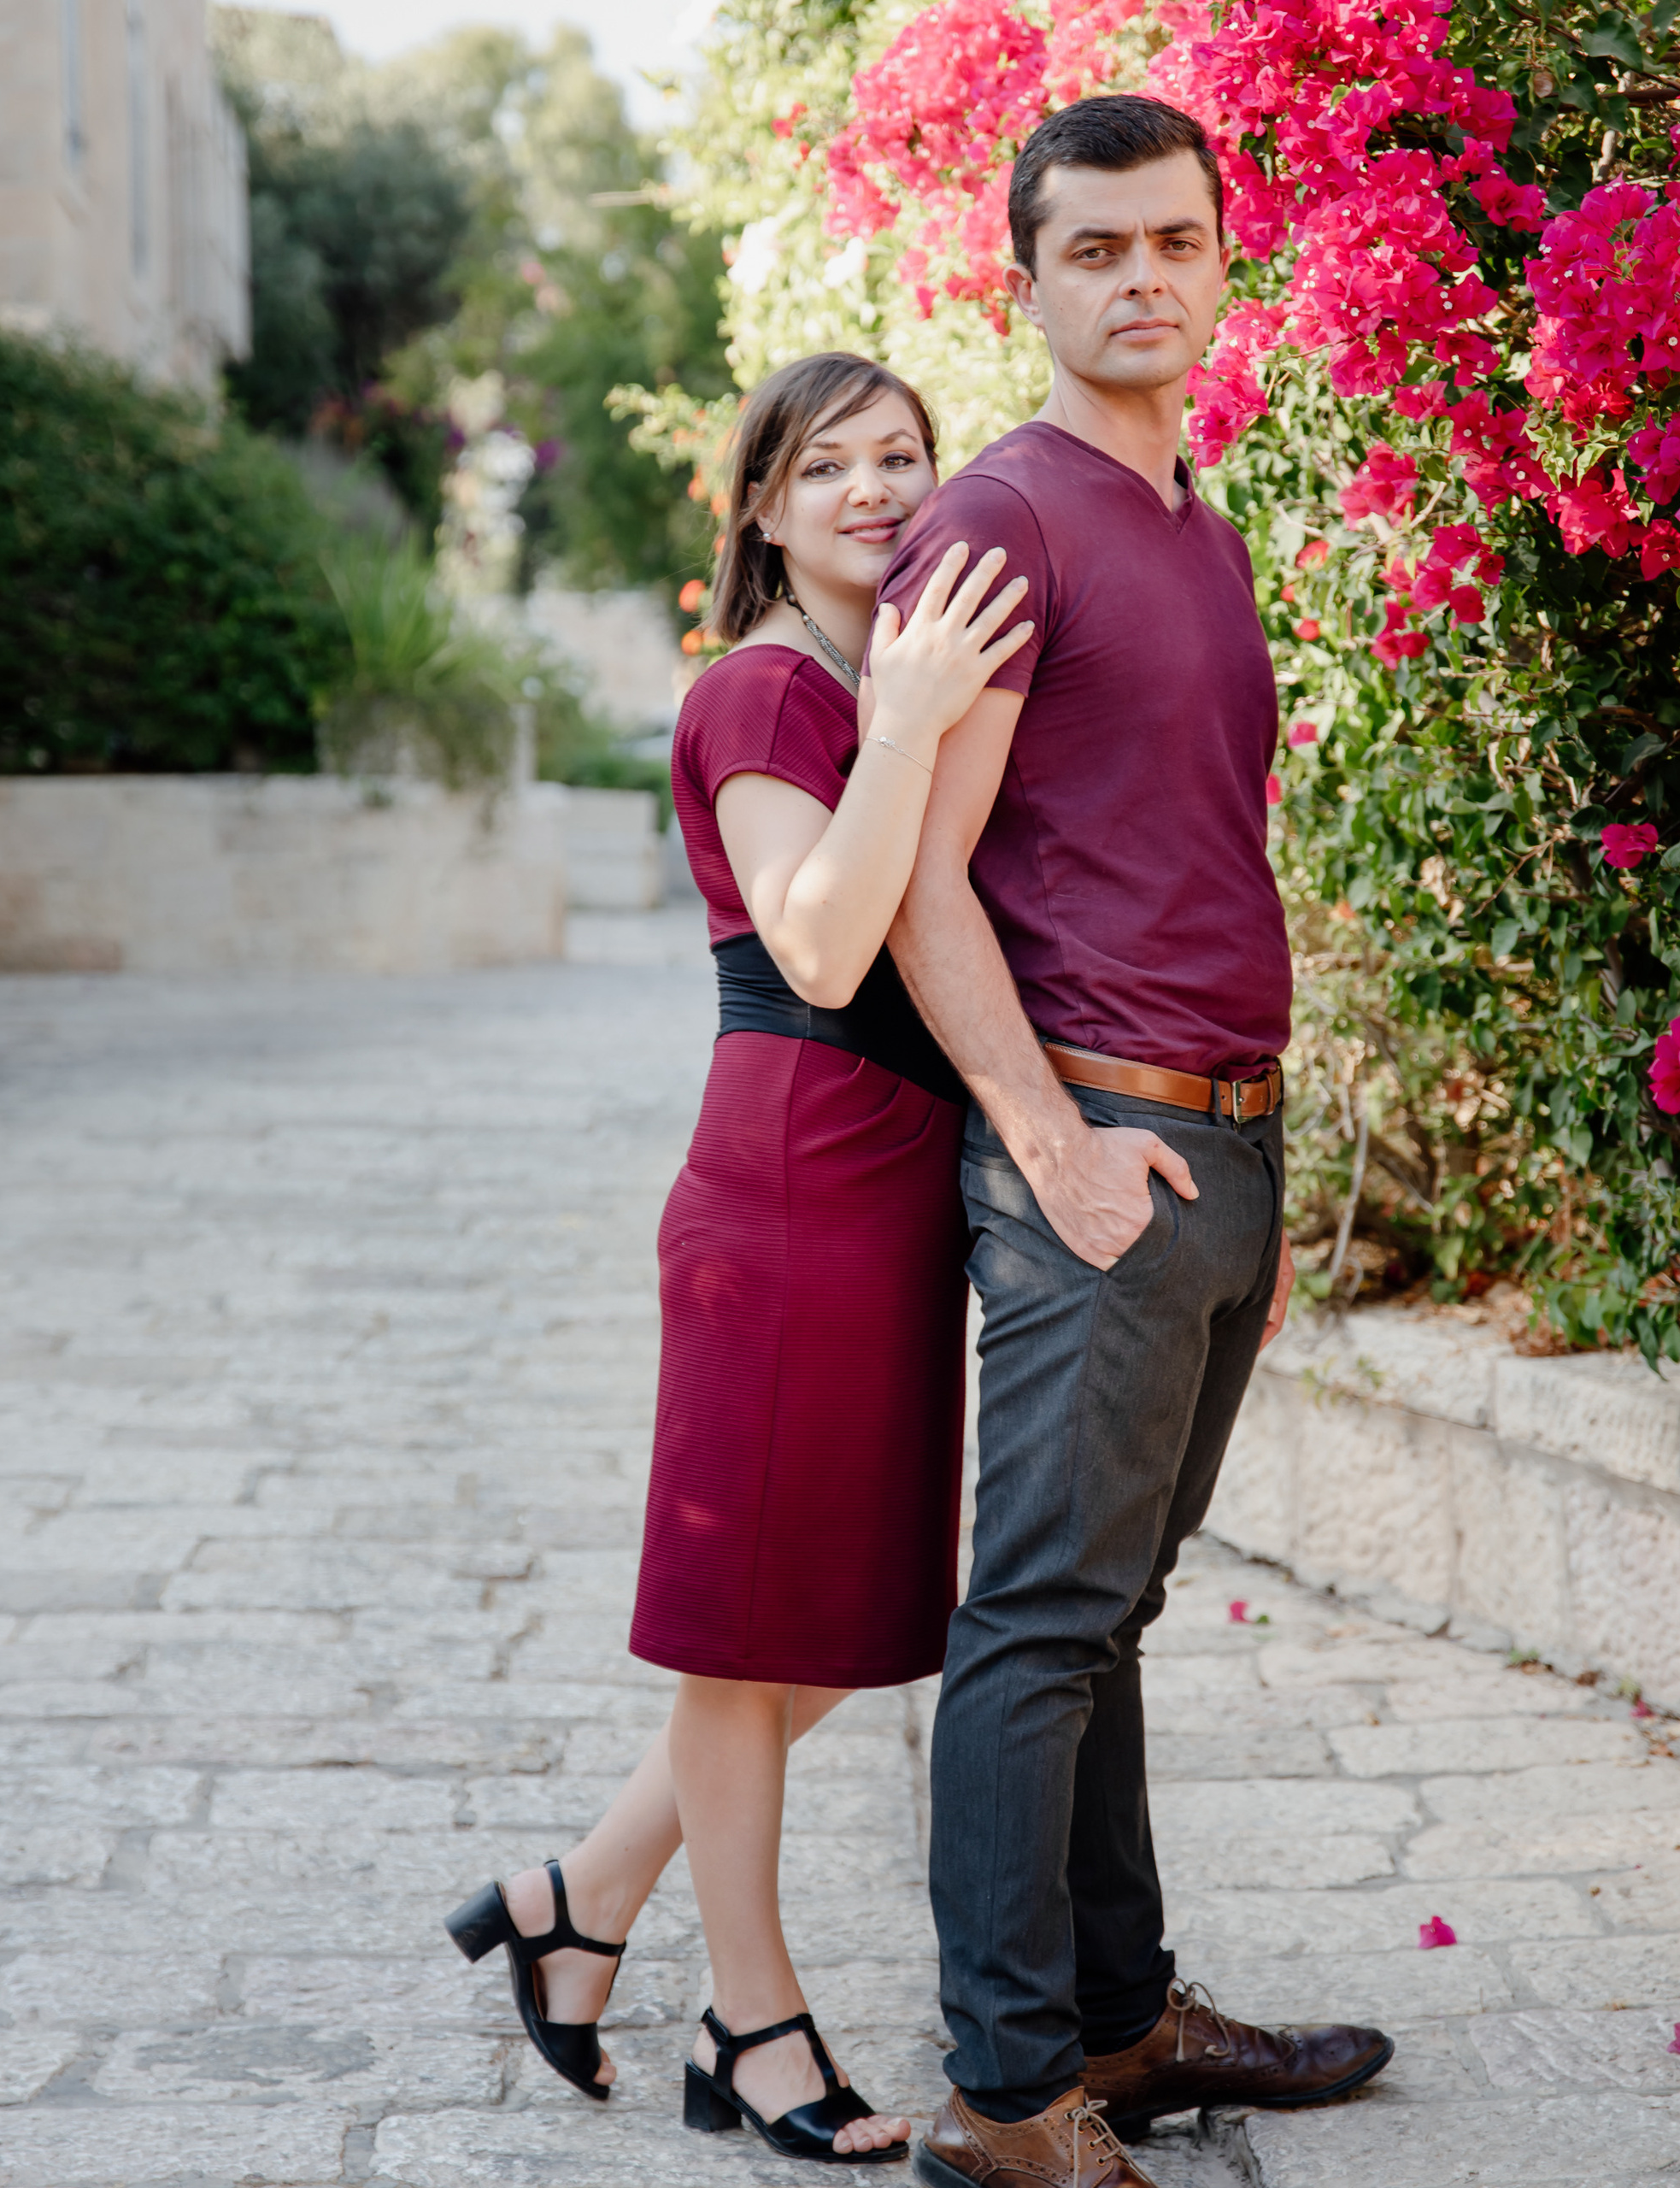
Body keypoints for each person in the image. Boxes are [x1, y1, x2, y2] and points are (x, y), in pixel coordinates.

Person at [873, 98, 1395, 2188]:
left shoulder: (1190, 516)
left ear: (1216, 259)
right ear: (1029, 282)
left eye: (1172, 240)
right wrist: (1049, 1138)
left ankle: (1116, 2016)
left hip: (1212, 1145)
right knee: (1034, 1618)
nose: (1141, 278)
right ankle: (1007, 2095)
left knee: (1105, 1607)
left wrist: (1253, 1164)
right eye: (1093, 250)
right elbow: (919, 877)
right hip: (1093, 1136)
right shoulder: (1003, 521)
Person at [444, 352, 1031, 2167]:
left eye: (903, 456)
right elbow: (828, 942)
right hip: (788, 1193)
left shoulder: (861, 680)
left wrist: (923, 701)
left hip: (868, 1196)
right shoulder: (767, 693)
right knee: (746, 1632)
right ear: (761, 509)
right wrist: (922, 713)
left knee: (827, 1625)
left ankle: (578, 1895)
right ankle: (749, 2021)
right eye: (828, 464)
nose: (875, 486)